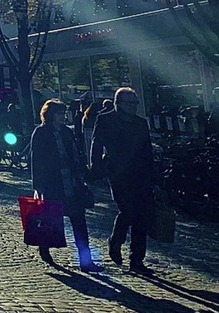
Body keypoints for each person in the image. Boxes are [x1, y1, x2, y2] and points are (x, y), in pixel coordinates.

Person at [30, 99, 103, 272]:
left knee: (79, 223)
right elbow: (36, 160)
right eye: (59, 114)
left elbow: (77, 155)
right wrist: (38, 186)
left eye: (63, 114)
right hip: (53, 184)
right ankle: (44, 246)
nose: (63, 117)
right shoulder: (41, 133)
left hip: (73, 184)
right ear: (50, 115)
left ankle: (86, 261)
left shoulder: (67, 132)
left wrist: (83, 174)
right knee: (50, 220)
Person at [90, 87, 155, 274]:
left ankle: (137, 260)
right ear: (118, 103)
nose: (133, 107)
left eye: (135, 103)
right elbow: (96, 144)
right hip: (118, 174)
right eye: (129, 104)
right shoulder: (105, 120)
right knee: (128, 210)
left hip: (140, 174)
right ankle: (116, 240)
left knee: (141, 216)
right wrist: (96, 169)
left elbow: (147, 150)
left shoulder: (140, 123)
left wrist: (153, 177)